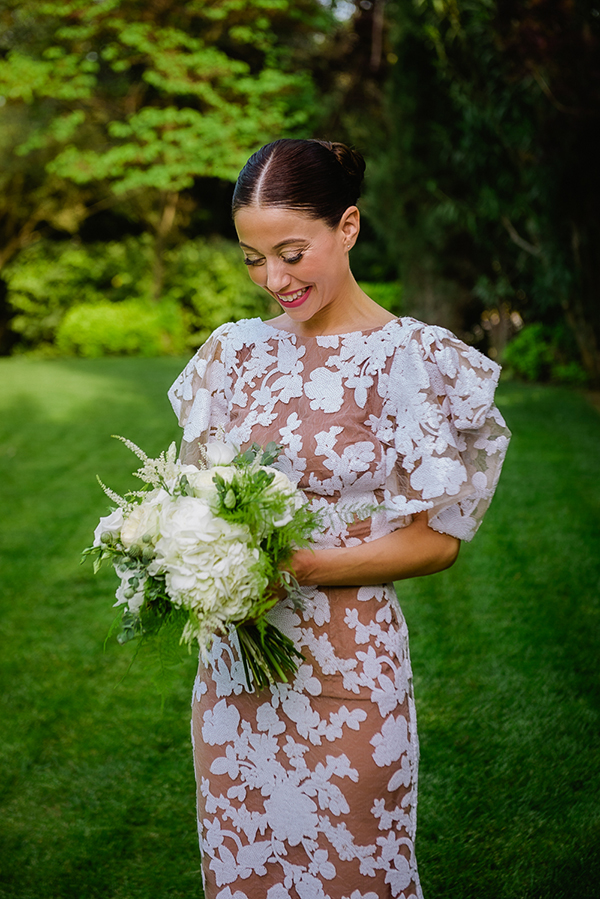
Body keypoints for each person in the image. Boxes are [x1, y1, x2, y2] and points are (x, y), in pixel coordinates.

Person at [168, 138, 511, 899]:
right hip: (234, 681)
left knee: (358, 870)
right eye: (253, 259)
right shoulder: (232, 355)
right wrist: (192, 557)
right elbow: (186, 497)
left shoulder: (409, 359)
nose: (274, 280)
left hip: (349, 671)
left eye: (291, 252)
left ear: (347, 227)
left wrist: (302, 569)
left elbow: (435, 541)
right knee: (244, 873)